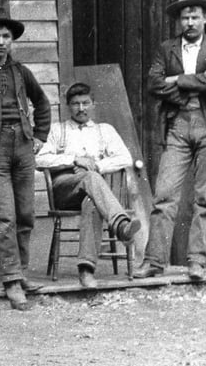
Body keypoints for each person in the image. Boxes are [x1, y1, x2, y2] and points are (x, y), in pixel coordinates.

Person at [136, 0, 206, 281]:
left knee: (205, 198)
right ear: (179, 20)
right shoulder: (167, 49)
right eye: (185, 17)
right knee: (164, 195)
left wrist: (176, 79)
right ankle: (154, 261)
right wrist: (192, 86)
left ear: (205, 18)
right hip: (177, 124)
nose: (190, 22)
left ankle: (197, 263)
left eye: (195, 17)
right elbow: (153, 83)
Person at [0, 8, 51, 310]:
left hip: (23, 145)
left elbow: (41, 101)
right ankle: (11, 281)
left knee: (26, 213)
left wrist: (40, 136)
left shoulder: (20, 71)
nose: (1, 42)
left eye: (6, 36)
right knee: (3, 215)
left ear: (11, 40)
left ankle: (22, 272)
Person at [36, 83, 141, 288]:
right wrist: (74, 160)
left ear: (93, 104)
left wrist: (97, 165)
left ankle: (86, 271)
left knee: (92, 201)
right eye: (75, 104)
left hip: (93, 189)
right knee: (91, 179)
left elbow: (125, 158)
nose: (81, 108)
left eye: (85, 103)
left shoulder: (105, 131)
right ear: (68, 106)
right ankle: (120, 225)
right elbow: (40, 159)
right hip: (65, 188)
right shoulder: (58, 130)